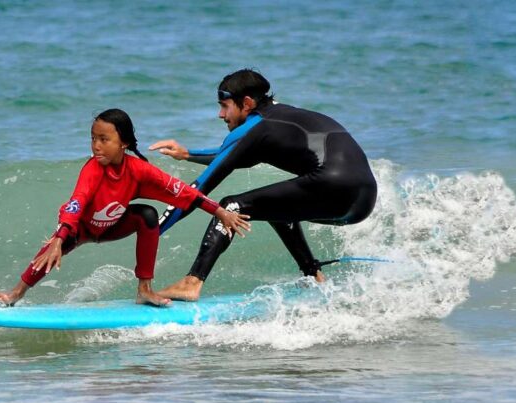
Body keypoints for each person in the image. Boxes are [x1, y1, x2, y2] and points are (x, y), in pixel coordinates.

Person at [149, 69, 377, 301]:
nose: (220, 114)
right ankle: (314, 276)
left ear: (246, 103)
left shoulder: (255, 127)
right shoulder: (280, 116)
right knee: (277, 208)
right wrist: (188, 154)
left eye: (225, 105)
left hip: (333, 187)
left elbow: (197, 192)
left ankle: (191, 282)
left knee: (230, 207)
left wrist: (153, 231)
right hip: (363, 199)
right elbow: (233, 154)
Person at [0, 108, 250, 307]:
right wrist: (60, 237)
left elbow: (181, 191)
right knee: (52, 248)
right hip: (81, 228)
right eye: (93, 138)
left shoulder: (137, 171)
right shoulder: (93, 170)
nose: (96, 145)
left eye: (104, 139)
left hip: (114, 226)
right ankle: (17, 293)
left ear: (123, 143)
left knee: (147, 215)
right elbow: (77, 201)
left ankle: (144, 290)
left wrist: (219, 211)